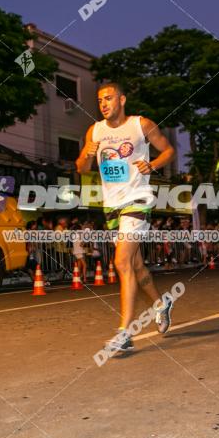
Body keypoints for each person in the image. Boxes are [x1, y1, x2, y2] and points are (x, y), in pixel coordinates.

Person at [75, 82, 176, 353]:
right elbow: (82, 168)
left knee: (121, 262)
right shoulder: (94, 131)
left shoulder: (140, 125)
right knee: (136, 266)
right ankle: (161, 303)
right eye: (99, 100)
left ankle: (124, 333)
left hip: (138, 200)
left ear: (122, 100)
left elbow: (168, 150)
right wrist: (87, 153)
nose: (104, 104)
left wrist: (152, 164)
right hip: (111, 206)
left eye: (108, 98)